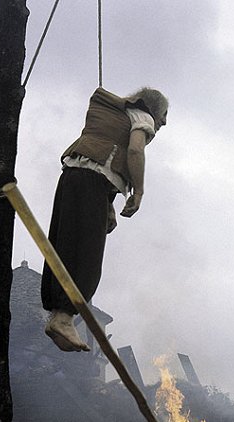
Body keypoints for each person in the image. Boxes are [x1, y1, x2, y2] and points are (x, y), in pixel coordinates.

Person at [41, 86, 169, 352]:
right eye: (165, 114)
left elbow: (99, 161)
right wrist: (139, 190)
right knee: (88, 255)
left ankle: (57, 315)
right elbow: (134, 151)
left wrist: (108, 204)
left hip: (71, 177)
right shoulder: (142, 117)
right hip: (93, 183)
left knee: (64, 243)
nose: (165, 122)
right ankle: (65, 317)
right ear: (154, 109)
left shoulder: (116, 116)